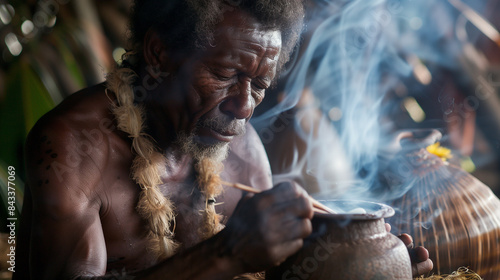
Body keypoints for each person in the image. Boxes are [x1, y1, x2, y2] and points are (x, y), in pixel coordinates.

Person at [13, 1, 433, 279]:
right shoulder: (72, 149)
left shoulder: (243, 150)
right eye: (227, 75)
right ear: (159, 54)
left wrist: (368, 265)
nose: (245, 106)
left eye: (260, 85)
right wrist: (224, 253)